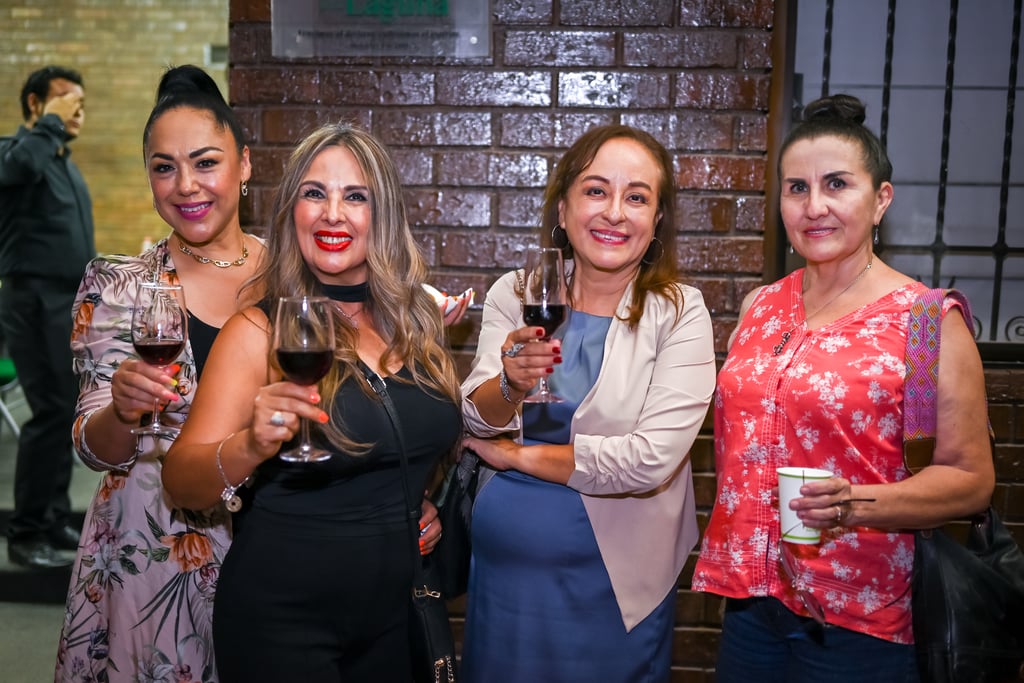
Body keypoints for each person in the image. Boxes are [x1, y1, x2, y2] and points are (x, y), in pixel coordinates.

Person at [53, 65, 444, 683]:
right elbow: (91, 446)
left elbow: (361, 407)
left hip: (287, 546)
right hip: (161, 552)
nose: (186, 184)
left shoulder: (296, 271)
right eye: (163, 167)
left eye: (205, 162)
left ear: (245, 165)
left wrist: (396, 491)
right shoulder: (122, 285)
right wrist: (121, 411)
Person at [691, 94, 995, 682]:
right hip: (753, 603)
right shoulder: (760, 307)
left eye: (837, 184)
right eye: (796, 188)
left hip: (864, 618)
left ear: (881, 199)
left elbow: (971, 481)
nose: (815, 206)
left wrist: (855, 503)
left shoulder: (927, 321)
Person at [161, 121, 462, 682]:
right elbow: (180, 481)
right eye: (314, 193)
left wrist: (414, 497)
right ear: (291, 211)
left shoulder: (415, 324)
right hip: (284, 621)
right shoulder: (257, 331)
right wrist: (250, 444)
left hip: (397, 616)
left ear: (384, 215)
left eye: (356, 197)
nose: (333, 214)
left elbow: (415, 439)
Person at [459, 124, 717, 681]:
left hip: (614, 589)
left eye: (637, 197)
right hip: (506, 581)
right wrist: (510, 384)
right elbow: (474, 416)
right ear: (563, 207)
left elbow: (651, 459)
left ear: (657, 223)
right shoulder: (518, 291)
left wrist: (516, 456)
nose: (615, 213)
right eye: (596, 191)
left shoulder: (679, 312)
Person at [0, 65, 95, 569]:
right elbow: (16, 170)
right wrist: (49, 125)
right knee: (49, 413)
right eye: (64, 99)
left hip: (66, 302)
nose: (76, 108)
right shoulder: (16, 153)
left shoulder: (61, 161)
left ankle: (54, 514)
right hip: (32, 299)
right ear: (35, 105)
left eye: (80, 101)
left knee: (66, 412)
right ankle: (26, 531)